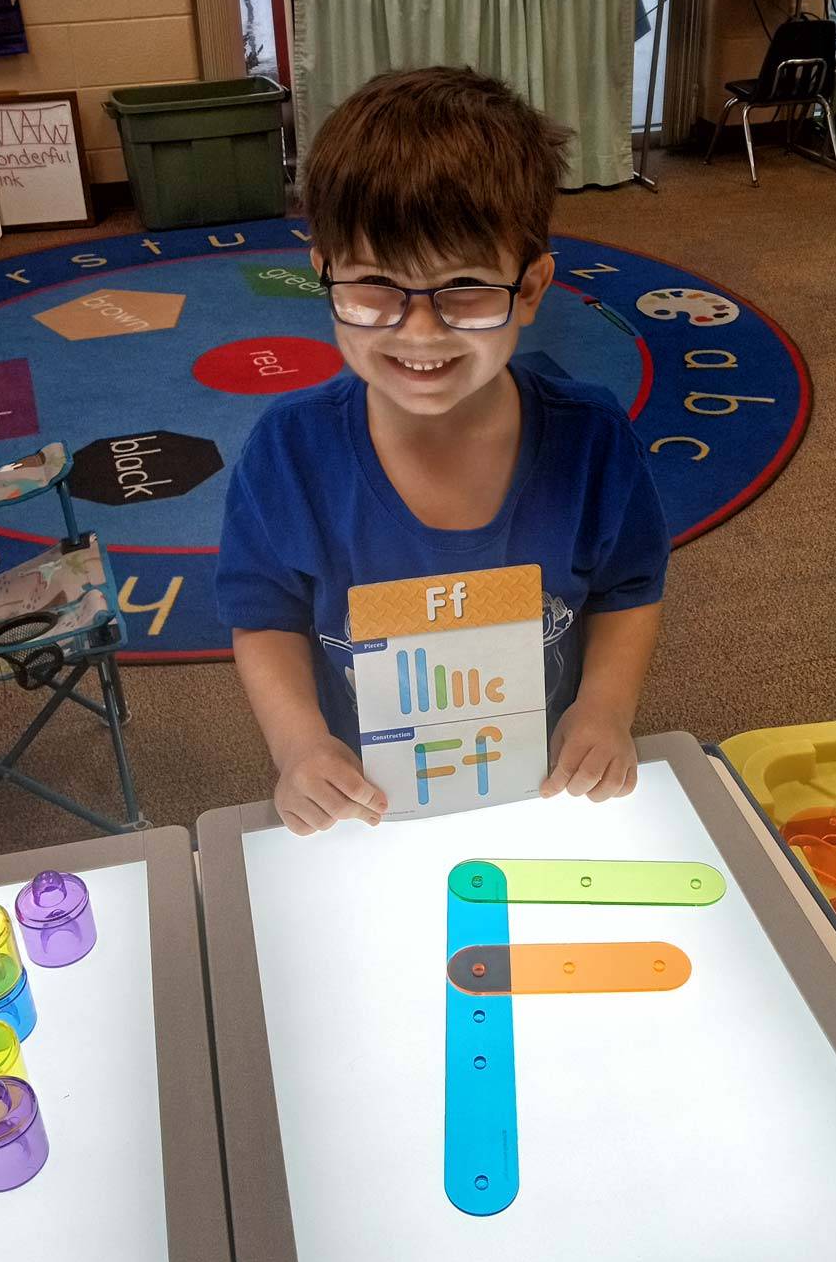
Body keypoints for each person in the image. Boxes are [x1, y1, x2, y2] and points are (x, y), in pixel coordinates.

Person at [217, 68, 668, 836]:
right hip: (364, 805)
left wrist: (603, 707)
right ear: (323, 269)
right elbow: (265, 618)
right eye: (373, 289)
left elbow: (629, 587)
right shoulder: (289, 456)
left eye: (464, 291)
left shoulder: (592, 444)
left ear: (529, 289)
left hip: (543, 789)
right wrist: (298, 745)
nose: (419, 334)